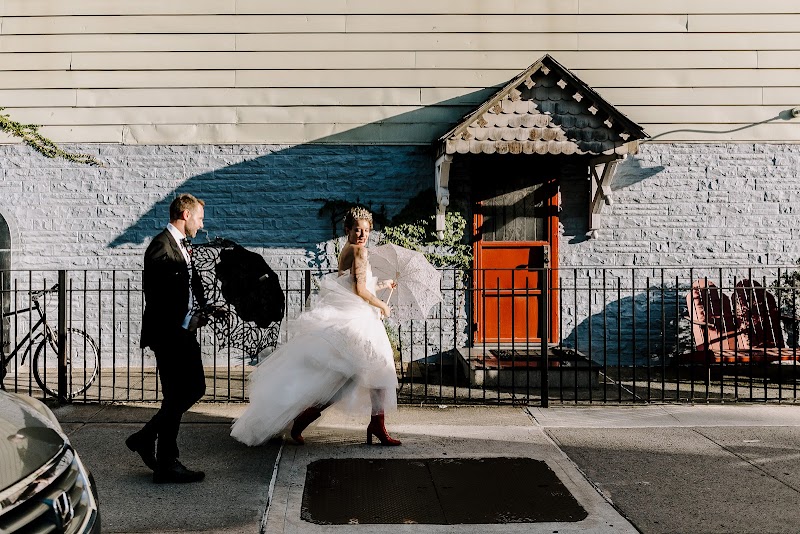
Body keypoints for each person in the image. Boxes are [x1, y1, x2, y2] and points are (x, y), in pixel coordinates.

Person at [231, 206, 401, 447]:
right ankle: (314, 420)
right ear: (347, 230)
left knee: (353, 376)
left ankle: (372, 424)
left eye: (366, 230)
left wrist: (383, 285)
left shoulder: (347, 250)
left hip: (353, 316)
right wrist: (382, 305)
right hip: (358, 321)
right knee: (359, 375)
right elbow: (360, 290)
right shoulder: (359, 251)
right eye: (357, 230)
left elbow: (350, 283)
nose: (362, 234)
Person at [126, 193, 209, 483]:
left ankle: (153, 448)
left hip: (182, 331)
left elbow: (187, 287)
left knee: (187, 391)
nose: (201, 224)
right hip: (169, 334)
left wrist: (204, 310)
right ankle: (161, 457)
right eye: (199, 218)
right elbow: (160, 298)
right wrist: (187, 321)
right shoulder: (160, 247)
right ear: (186, 215)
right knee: (184, 392)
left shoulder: (182, 245)